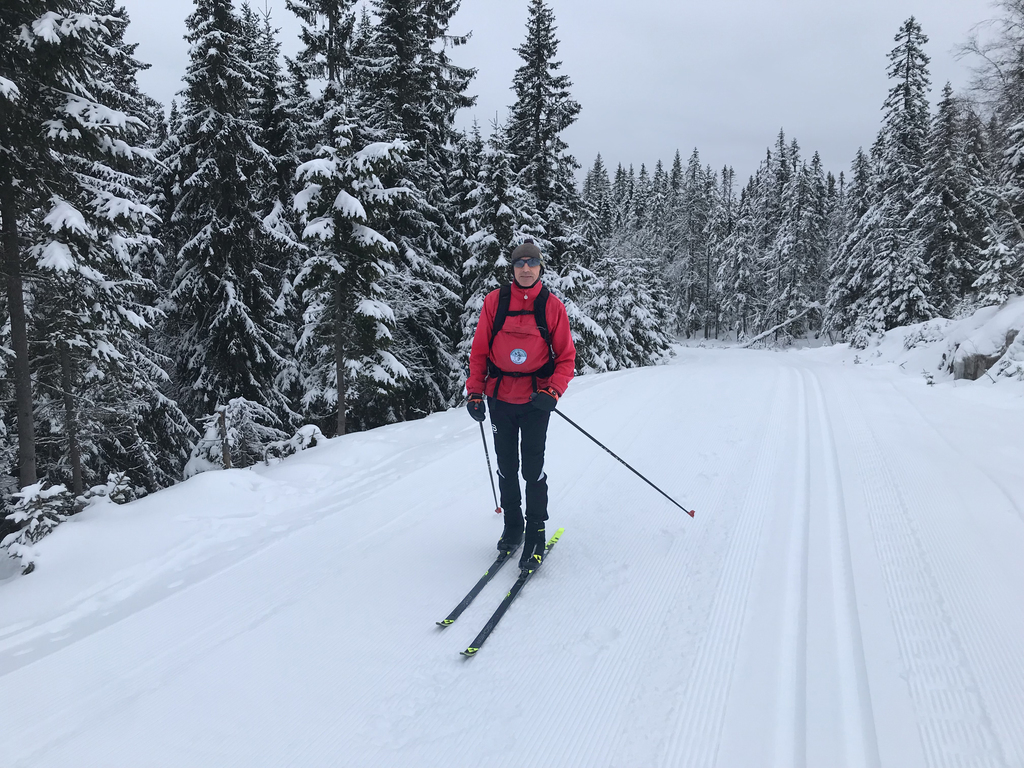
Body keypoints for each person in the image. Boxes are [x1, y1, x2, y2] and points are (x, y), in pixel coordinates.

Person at [464, 239, 576, 571]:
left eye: (531, 263)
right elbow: (480, 351)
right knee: (506, 466)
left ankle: (536, 530)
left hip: (535, 401)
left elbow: (566, 358)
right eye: (519, 263)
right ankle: (513, 526)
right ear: (512, 268)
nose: (525, 268)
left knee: (532, 467)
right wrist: (474, 392)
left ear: (540, 267)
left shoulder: (551, 306)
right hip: (500, 398)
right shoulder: (494, 302)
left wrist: (552, 392)